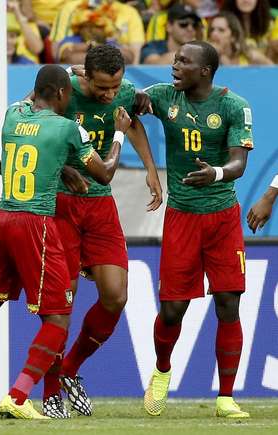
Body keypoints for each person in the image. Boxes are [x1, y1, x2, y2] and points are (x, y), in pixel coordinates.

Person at [0, 64, 131, 419]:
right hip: (36, 223)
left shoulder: (12, 115)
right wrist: (119, 134)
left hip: (1, 220)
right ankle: (18, 397)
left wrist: (63, 168)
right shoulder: (68, 129)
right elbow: (105, 174)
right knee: (58, 318)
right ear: (63, 94)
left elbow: (36, 138)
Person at [41, 44, 163, 418]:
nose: (110, 95)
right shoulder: (63, 89)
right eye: (102, 88)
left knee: (115, 295)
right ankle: (48, 392)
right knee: (63, 300)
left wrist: (151, 169)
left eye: (116, 86)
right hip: (61, 203)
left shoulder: (122, 92)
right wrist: (63, 170)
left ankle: (70, 369)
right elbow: (36, 129)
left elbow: (133, 124)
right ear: (85, 78)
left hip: (100, 205)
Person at [141, 41, 253, 419]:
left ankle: (225, 397)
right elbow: (124, 99)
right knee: (173, 311)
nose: (175, 65)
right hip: (182, 218)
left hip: (222, 218)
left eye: (183, 61)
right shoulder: (162, 97)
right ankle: (161, 370)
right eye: (175, 59)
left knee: (228, 305)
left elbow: (239, 163)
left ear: (204, 70)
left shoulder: (233, 106)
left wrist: (216, 173)